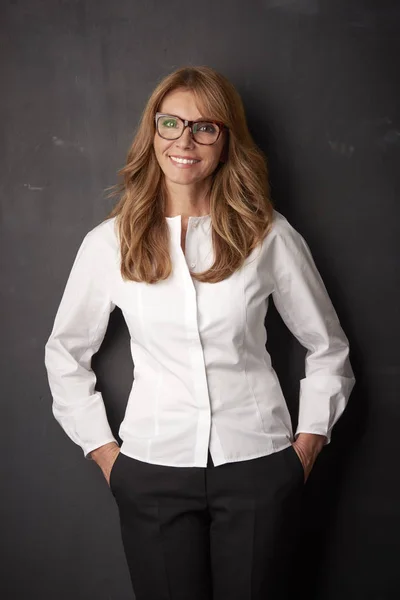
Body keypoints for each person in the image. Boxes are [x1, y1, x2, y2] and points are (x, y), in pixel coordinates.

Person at [44, 65, 356, 600]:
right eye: (172, 124)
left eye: (205, 127)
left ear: (225, 140)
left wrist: (305, 448)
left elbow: (328, 348)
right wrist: (105, 454)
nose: (185, 140)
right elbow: (65, 354)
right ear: (153, 132)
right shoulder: (108, 243)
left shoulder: (268, 235)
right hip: (151, 470)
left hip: (258, 466)